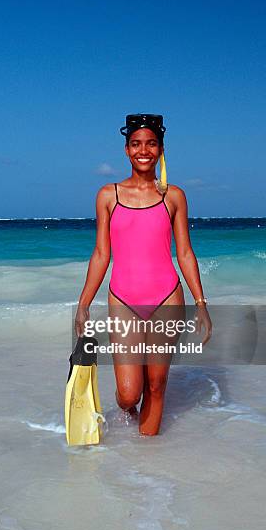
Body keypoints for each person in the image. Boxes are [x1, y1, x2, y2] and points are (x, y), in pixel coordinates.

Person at [74, 113, 212, 436]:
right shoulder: (108, 196)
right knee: (128, 393)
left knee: (156, 384)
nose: (143, 150)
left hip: (167, 296)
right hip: (123, 299)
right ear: (126, 150)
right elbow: (101, 255)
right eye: (136, 144)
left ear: (161, 149)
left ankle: (148, 465)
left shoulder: (173, 197)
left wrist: (201, 302)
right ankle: (128, 418)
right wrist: (83, 303)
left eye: (151, 143)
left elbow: (185, 254)